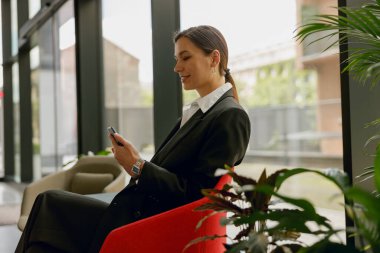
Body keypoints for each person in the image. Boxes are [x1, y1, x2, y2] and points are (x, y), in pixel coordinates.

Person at [15, 25, 251, 253]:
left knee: (49, 204)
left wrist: (138, 166)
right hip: (138, 212)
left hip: (153, 224)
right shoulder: (200, 113)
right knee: (45, 234)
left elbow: (199, 194)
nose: (177, 67)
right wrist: (136, 161)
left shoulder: (229, 116)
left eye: (185, 57)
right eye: (176, 59)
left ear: (214, 58)